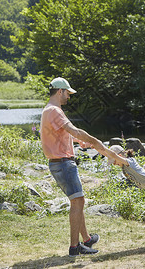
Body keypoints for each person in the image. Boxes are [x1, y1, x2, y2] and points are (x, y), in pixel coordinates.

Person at [40, 77, 105, 256]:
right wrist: (95, 141)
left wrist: (78, 142)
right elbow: (74, 130)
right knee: (79, 201)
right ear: (60, 91)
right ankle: (74, 247)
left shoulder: (50, 110)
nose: (69, 96)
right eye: (68, 93)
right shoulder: (55, 110)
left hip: (58, 163)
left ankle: (86, 239)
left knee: (77, 201)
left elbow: (62, 133)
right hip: (63, 163)